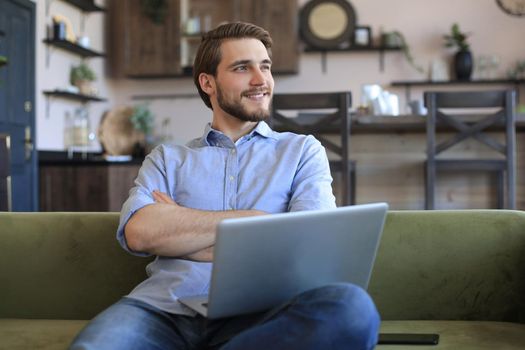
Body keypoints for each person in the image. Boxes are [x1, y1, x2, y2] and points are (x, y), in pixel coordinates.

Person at [70, 22, 379, 350]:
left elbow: (310, 249)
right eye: (242, 67)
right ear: (208, 82)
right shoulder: (168, 158)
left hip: (266, 317)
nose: (261, 80)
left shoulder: (302, 151)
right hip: (162, 310)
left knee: (352, 309)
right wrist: (254, 220)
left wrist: (181, 228)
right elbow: (140, 233)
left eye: (265, 67)